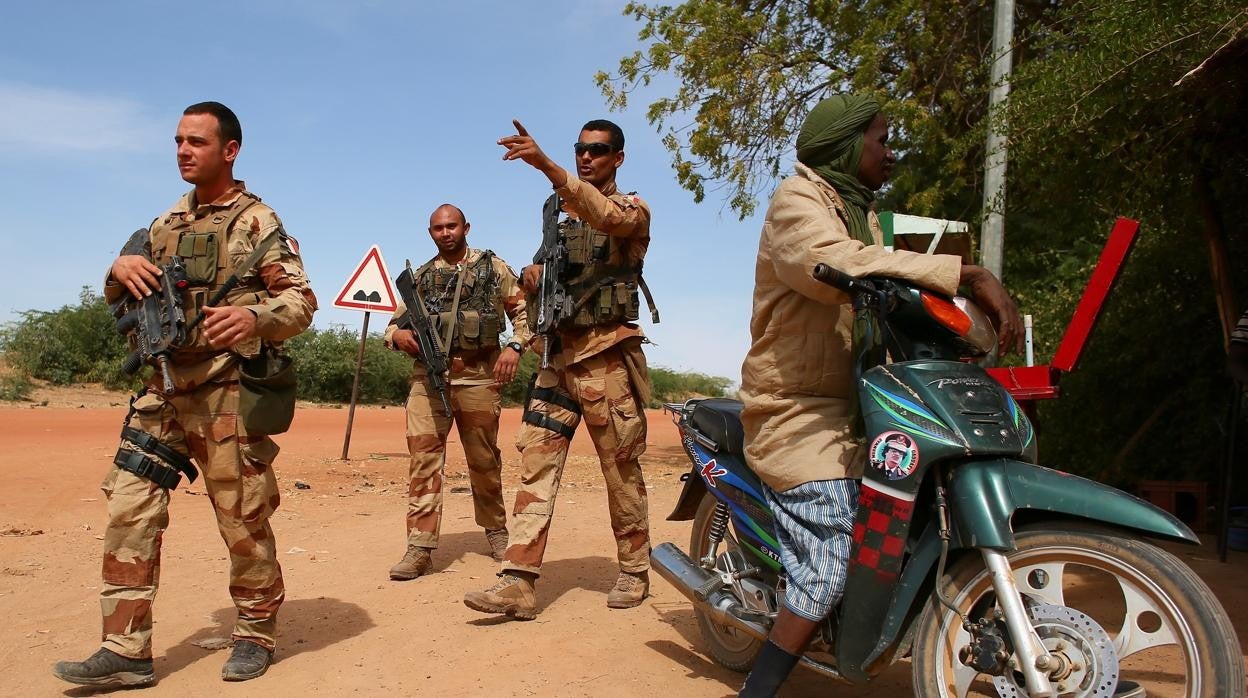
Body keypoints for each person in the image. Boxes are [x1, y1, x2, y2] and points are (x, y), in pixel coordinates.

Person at [735, 94, 1021, 697]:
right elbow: (834, 263)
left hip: (860, 406)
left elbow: (882, 273)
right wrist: (966, 273)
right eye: (882, 140)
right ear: (845, 146)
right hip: (799, 410)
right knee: (839, 553)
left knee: (918, 514)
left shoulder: (855, 212)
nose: (891, 154)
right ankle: (759, 687)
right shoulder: (799, 203)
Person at [53, 102, 317, 686]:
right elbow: (123, 295)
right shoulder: (161, 227)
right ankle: (126, 649)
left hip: (227, 390)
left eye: (196, 141)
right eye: (177, 140)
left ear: (230, 150)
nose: (182, 151)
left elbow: (300, 303)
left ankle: (254, 629)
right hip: (164, 390)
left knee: (241, 518)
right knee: (129, 508)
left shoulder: (258, 222)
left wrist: (254, 318)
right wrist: (118, 267)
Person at [463, 118, 657, 619]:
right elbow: (549, 273)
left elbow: (609, 220)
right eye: (579, 150)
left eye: (598, 150)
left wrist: (547, 166)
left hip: (604, 359)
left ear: (618, 157)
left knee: (620, 468)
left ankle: (634, 571)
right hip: (557, 360)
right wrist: (533, 278)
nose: (586, 157)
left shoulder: (632, 209)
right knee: (536, 465)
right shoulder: (556, 212)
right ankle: (519, 582)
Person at [383, 203, 530, 580]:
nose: (445, 233)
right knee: (423, 460)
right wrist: (398, 335)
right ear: (430, 232)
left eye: (451, 226)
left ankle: (496, 531)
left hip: (479, 376)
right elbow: (392, 325)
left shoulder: (491, 268)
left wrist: (515, 347)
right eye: (437, 228)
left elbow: (524, 312)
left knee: (483, 459)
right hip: (428, 381)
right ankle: (419, 546)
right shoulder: (420, 278)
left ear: (466, 227)